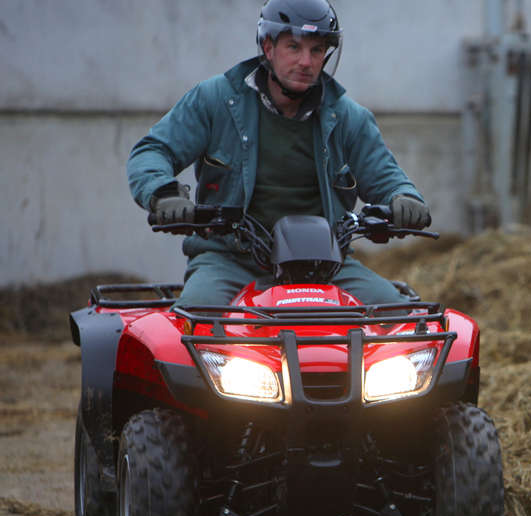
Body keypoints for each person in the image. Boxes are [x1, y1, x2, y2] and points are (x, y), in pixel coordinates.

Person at [127, 0, 430, 306]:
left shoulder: (349, 117)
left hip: (326, 265)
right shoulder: (215, 100)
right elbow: (153, 151)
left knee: (399, 322)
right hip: (230, 261)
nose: (306, 61)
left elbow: (386, 177)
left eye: (316, 50)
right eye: (294, 47)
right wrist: (164, 194)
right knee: (196, 325)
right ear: (268, 47)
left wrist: (404, 199)